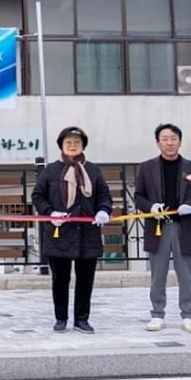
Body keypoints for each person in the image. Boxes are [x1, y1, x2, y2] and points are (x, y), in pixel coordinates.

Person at [32, 127, 112, 333]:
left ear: (83, 145)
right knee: (60, 279)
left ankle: (82, 318)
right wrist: (50, 213)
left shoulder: (93, 170)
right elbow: (38, 196)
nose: (73, 145)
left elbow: (104, 195)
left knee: (85, 279)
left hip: (88, 233)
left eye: (77, 141)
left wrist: (103, 211)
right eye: (68, 141)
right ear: (61, 145)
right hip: (59, 233)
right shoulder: (51, 170)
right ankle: (61, 318)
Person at [133, 124, 191, 333]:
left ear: (180, 141)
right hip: (158, 226)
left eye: (173, 138)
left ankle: (188, 314)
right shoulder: (146, 167)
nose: (169, 142)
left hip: (184, 226)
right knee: (157, 273)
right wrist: (151, 207)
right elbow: (138, 196)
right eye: (165, 139)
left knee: (186, 273)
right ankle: (157, 314)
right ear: (158, 142)